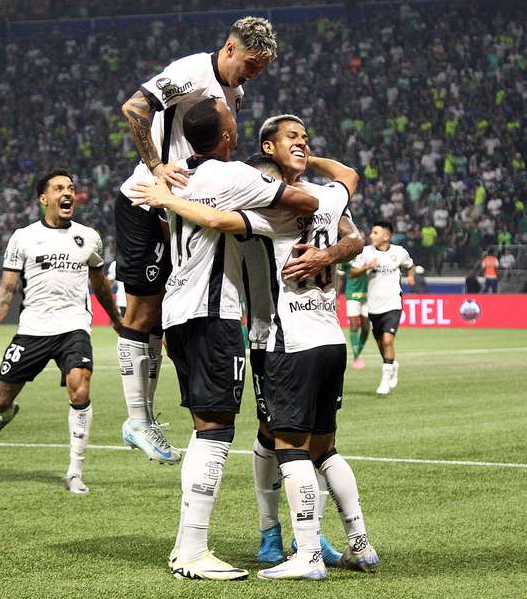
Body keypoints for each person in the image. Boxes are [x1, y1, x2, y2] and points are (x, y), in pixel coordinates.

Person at [135, 112, 379, 580]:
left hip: (284, 339)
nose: (302, 143)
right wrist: (311, 168)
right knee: (321, 447)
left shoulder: (268, 215)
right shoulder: (329, 197)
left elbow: (211, 216)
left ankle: (304, 550)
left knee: (286, 445)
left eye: (305, 138)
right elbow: (348, 177)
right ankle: (356, 543)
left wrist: (165, 196)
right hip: (330, 338)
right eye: (294, 138)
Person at [114, 16, 278, 464]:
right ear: (229, 48)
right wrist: (154, 167)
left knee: (169, 320)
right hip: (145, 200)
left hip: (179, 212)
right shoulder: (190, 73)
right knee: (144, 310)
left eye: (261, 68)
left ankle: (152, 419)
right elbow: (133, 108)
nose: (253, 75)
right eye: (250, 63)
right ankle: (138, 420)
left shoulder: (235, 94)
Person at [0, 170, 122, 495]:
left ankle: (75, 472)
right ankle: (6, 413)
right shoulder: (23, 237)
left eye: (71, 187)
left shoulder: (88, 237)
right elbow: (7, 289)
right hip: (33, 330)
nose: (67, 193)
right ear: (44, 199)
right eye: (59, 188)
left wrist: (115, 319)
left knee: (79, 389)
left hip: (73, 326)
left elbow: (99, 284)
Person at [351, 222, 415, 396]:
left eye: (375, 232)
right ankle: (392, 364)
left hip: (393, 303)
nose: (371, 235)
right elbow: (353, 272)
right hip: (372, 305)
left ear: (386, 236)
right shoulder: (365, 253)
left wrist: (410, 277)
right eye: (372, 232)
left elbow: (410, 265)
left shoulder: (399, 252)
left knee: (388, 340)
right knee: (381, 343)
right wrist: (366, 267)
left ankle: (385, 381)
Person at [340, 257, 371, 370]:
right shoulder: (346, 257)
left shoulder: (369, 254)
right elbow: (341, 277)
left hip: (368, 295)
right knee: (353, 325)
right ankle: (357, 357)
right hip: (352, 293)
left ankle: (358, 352)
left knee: (366, 327)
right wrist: (337, 296)